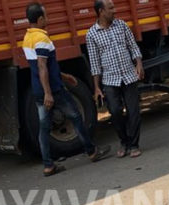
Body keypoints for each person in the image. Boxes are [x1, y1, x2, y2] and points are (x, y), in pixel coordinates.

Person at [24, 3, 110, 176]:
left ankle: (48, 165)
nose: (47, 19)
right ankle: (92, 151)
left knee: (44, 128)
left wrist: (64, 76)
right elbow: (42, 67)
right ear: (40, 19)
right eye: (46, 16)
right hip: (54, 90)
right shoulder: (42, 39)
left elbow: (44, 66)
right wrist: (49, 92)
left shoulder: (27, 38)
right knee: (76, 117)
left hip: (39, 91)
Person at [87, 0, 144, 158]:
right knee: (115, 112)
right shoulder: (92, 34)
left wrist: (138, 63)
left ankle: (133, 145)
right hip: (110, 80)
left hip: (128, 75)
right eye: (110, 8)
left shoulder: (122, 25)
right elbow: (94, 63)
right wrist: (97, 87)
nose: (114, 10)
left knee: (134, 112)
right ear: (100, 11)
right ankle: (124, 142)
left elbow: (132, 46)